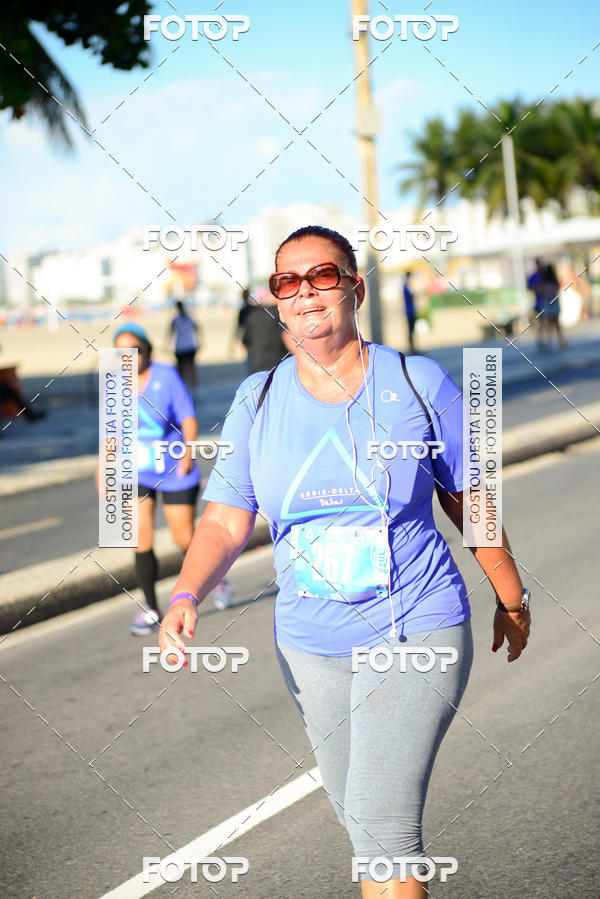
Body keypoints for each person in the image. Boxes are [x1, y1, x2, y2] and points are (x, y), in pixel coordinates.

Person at [159, 226, 531, 897]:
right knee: (366, 832)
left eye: (323, 276)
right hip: (309, 645)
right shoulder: (256, 399)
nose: (305, 293)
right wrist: (185, 594)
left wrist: (512, 598)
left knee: (384, 829)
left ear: (355, 288)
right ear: (276, 299)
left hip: (413, 625)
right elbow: (223, 518)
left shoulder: (418, 382)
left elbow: (470, 500)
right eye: (287, 281)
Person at [97, 323, 232, 635]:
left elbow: (188, 418)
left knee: (183, 538)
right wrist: (104, 469)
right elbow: (110, 433)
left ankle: (217, 579)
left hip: (174, 470)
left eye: (135, 350)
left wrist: (187, 452)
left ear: (147, 350)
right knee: (140, 536)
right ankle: (151, 608)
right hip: (136, 471)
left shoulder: (166, 376)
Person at [236, 286, 288, 374]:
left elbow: (245, 341)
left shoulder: (252, 314)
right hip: (281, 365)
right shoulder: (282, 314)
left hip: (258, 364)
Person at [170, 301, 201, 386]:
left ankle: (182, 385)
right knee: (192, 366)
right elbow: (196, 330)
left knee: (181, 368)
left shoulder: (175, 320)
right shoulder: (190, 317)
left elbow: (171, 333)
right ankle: (193, 385)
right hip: (190, 345)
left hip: (180, 346)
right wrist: (199, 342)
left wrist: (168, 345)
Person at [539, 264, 567, 349]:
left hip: (547, 304)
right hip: (554, 303)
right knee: (557, 324)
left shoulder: (544, 282)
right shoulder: (555, 281)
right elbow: (558, 291)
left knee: (549, 324)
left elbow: (542, 292)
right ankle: (561, 342)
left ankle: (549, 341)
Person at [527, 258, 549, 348]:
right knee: (540, 323)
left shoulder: (545, 275)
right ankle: (540, 340)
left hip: (545, 302)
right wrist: (536, 288)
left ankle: (545, 340)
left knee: (545, 323)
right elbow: (529, 287)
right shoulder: (535, 276)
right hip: (539, 303)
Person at [403, 271, 417, 353]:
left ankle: (413, 347)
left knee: (412, 330)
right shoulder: (406, 287)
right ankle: (411, 347)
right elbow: (409, 297)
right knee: (410, 330)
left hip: (411, 311)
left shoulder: (408, 286)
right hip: (409, 311)